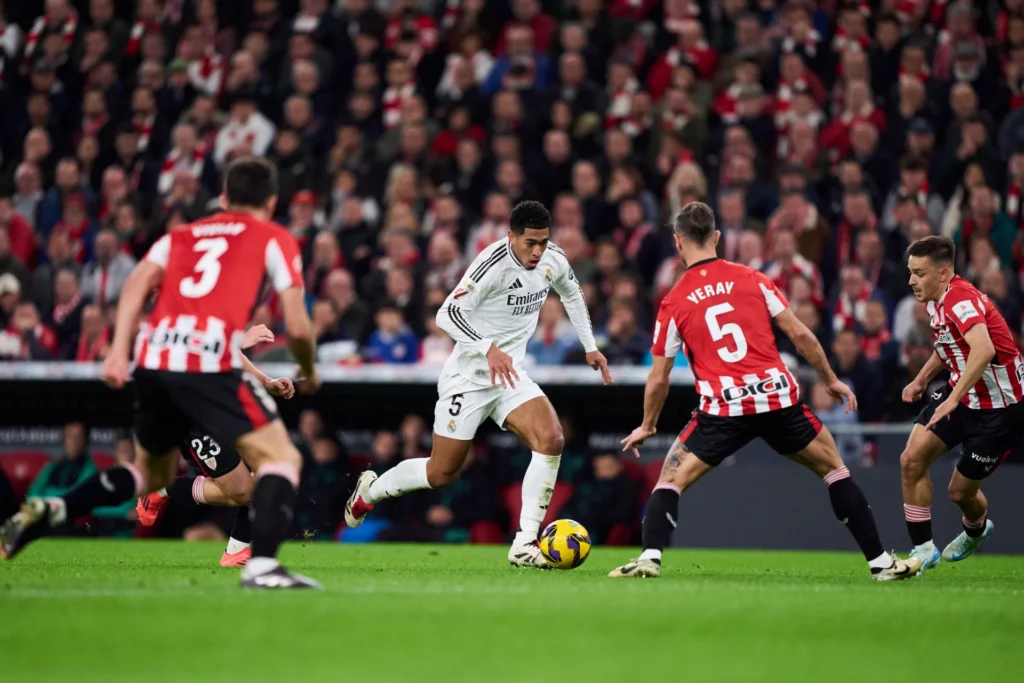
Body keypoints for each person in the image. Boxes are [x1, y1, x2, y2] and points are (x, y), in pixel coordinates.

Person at [0, 158, 323, 590]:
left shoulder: (180, 236)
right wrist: (308, 368)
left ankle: (52, 511)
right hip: (204, 370)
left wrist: (117, 352)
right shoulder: (273, 237)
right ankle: (262, 567)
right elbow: (298, 327)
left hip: (153, 362)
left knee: (145, 474)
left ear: (223, 199)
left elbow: (135, 285)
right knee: (281, 460)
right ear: (271, 200)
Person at [609, 202, 919, 581]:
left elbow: (658, 377)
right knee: (835, 471)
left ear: (677, 242)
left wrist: (648, 424)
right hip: (777, 398)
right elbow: (801, 334)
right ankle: (881, 564)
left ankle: (649, 559)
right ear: (717, 238)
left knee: (670, 480)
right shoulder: (753, 278)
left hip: (723, 409)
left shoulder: (674, 301)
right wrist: (830, 379)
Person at [343, 200, 611, 567]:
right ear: (511, 236)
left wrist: (590, 346)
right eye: (530, 242)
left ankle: (524, 543)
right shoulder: (492, 264)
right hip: (468, 379)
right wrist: (488, 349)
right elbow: (447, 314)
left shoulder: (553, 259)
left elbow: (572, 293)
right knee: (441, 473)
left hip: (510, 376)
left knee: (551, 439)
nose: (537, 251)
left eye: (543, 242)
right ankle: (370, 491)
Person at [899, 236, 1024, 572]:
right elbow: (950, 345)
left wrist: (951, 399)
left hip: (1000, 409)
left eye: (919, 273)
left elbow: (982, 350)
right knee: (911, 460)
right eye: (910, 272)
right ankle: (923, 549)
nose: (911, 280)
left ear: (942, 274)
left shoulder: (960, 299)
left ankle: (977, 528)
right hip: (963, 395)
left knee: (960, 493)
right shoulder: (935, 299)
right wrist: (922, 379)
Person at [135, 323, 296, 568]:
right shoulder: (182, 308)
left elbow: (229, 356)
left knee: (271, 467)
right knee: (245, 492)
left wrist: (266, 381)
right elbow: (192, 358)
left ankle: (236, 552)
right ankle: (163, 489)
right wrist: (238, 341)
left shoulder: (217, 310)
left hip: (222, 405)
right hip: (190, 413)